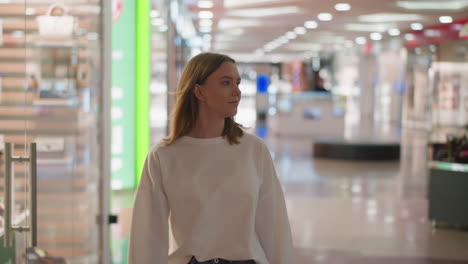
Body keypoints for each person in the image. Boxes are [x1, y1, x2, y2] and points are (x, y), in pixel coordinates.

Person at [128, 52, 295, 264]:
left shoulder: (254, 150)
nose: (237, 91)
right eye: (226, 83)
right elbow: (147, 236)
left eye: (238, 82)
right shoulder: (163, 156)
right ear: (199, 91)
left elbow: (274, 227)